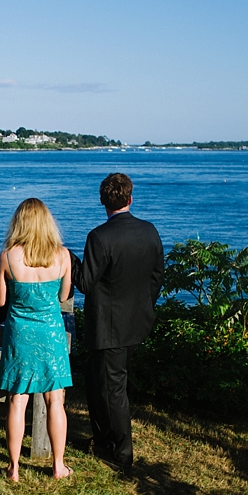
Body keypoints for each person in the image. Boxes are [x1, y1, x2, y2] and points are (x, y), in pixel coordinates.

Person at [70, 173, 164, 474]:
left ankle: (122, 452)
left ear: (102, 201)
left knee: (112, 388)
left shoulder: (100, 237)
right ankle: (102, 439)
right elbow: (157, 276)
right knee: (101, 382)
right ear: (130, 198)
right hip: (137, 321)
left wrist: (67, 257)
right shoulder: (149, 231)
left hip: (108, 326)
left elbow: (84, 282)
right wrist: (145, 304)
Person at [0, 198, 73, 482]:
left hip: (20, 333)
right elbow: (63, 297)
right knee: (55, 399)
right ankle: (58, 465)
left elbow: (0, 300)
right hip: (50, 332)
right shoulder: (62, 256)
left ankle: (13, 467)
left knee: (18, 399)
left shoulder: (8, 257)